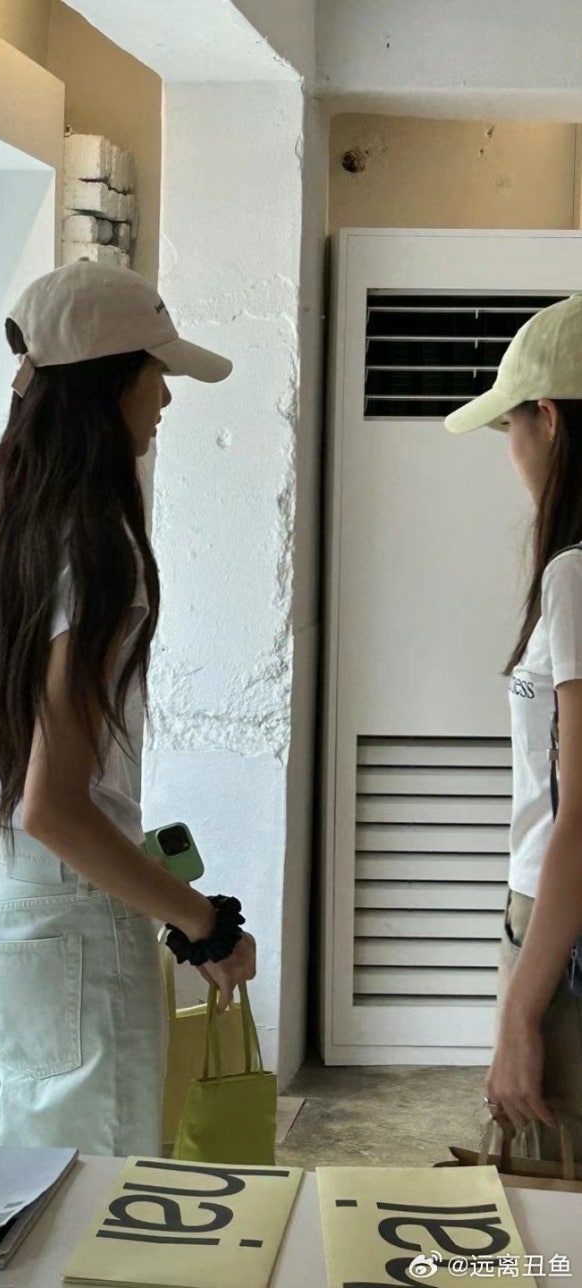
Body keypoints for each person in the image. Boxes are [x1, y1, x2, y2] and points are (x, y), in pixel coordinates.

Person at [0, 262, 257, 1155]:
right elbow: (58, 807)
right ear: (111, 384)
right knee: (90, 1208)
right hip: (65, 926)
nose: (165, 399)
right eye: (156, 372)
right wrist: (202, 922)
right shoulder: (99, 548)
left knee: (0, 1196)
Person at [446, 293, 582, 1157]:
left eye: (511, 427)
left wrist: (520, 1014)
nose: (513, 451)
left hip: (560, 921)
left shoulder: (576, 574)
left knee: (547, 1191)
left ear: (550, 419)